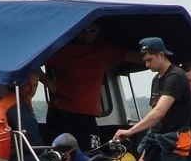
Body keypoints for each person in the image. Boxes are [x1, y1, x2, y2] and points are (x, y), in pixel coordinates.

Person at [40, 22, 129, 151]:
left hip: (87, 117)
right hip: (61, 113)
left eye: (92, 30)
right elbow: (31, 61)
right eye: (83, 30)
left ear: (98, 32)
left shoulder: (105, 51)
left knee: (92, 153)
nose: (87, 34)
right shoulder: (63, 50)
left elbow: (136, 57)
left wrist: (164, 60)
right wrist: (51, 85)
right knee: (60, 154)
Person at [0, 71, 54, 161]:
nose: (31, 90)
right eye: (27, 84)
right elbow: (31, 138)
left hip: (11, 155)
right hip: (13, 158)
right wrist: (49, 154)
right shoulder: (16, 104)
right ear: (18, 83)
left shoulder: (17, 100)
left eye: (35, 85)